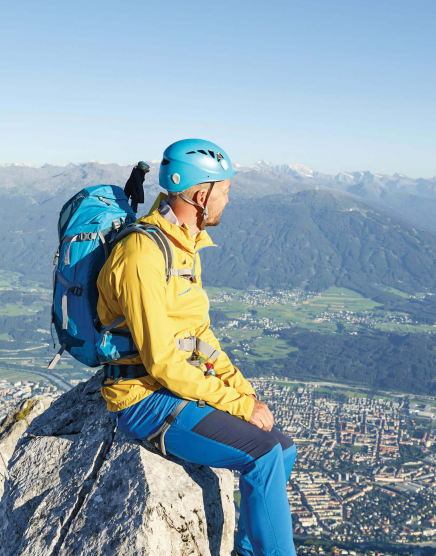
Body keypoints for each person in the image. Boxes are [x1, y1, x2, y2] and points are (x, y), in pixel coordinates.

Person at [97, 139, 297, 556]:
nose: (227, 200)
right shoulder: (142, 255)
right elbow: (163, 362)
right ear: (201, 194)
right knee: (262, 458)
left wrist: (244, 393)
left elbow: (202, 340)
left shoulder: (183, 246)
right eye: (224, 191)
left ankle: (249, 549)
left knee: (283, 449)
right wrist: (240, 408)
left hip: (169, 387)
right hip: (143, 399)